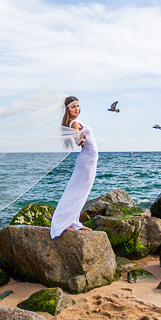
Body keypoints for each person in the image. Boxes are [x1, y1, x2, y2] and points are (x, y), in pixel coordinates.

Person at [50, 96, 98, 238]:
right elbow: (78, 141)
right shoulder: (74, 124)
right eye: (73, 107)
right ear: (67, 110)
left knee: (79, 191)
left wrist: (82, 139)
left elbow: (81, 142)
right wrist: (81, 138)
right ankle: (64, 223)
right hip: (87, 160)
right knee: (78, 192)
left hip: (88, 159)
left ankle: (74, 222)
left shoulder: (76, 122)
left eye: (77, 106)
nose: (76, 109)